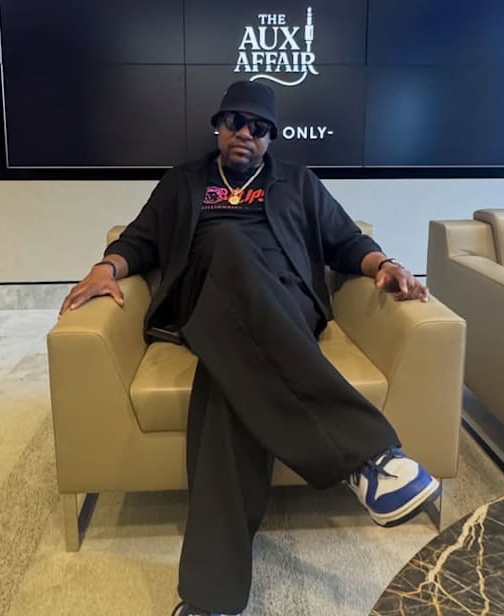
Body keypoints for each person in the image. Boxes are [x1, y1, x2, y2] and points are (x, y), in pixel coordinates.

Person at [59, 80, 441, 616]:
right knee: (226, 242)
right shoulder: (183, 182)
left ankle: (209, 600)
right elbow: (139, 240)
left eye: (260, 128)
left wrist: (386, 264)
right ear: (219, 126)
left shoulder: (297, 182)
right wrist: (106, 267)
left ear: (271, 138)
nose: (246, 134)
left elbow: (346, 240)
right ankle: (366, 456)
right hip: (205, 301)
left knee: (226, 391)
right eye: (236, 122)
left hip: (285, 306)